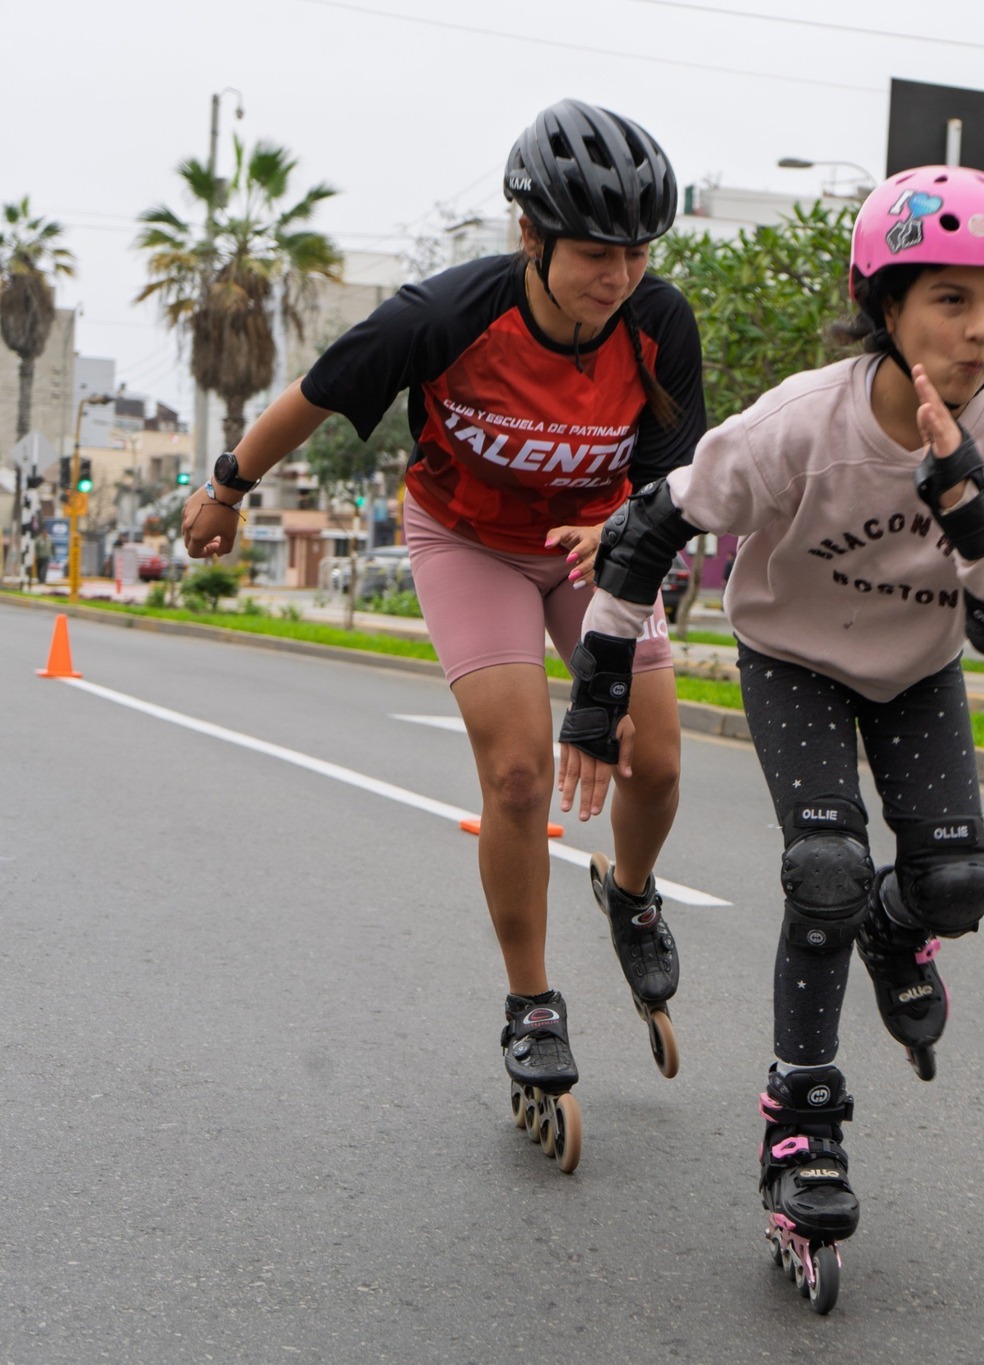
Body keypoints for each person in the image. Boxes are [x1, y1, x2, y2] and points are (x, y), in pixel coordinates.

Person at [554, 165, 984, 1301]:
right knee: (825, 872)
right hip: (795, 662)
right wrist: (594, 704)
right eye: (949, 301)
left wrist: (964, 493)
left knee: (957, 886)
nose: (981, 333)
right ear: (884, 305)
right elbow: (648, 529)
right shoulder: (799, 420)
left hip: (919, 671)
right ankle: (802, 1127)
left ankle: (900, 929)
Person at [180, 99, 706, 1173]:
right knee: (516, 773)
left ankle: (633, 892)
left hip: (591, 543)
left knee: (655, 754)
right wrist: (227, 486)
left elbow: (677, 475)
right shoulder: (444, 313)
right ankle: (530, 1006)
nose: (618, 276)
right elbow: (314, 399)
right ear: (532, 237)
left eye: (637, 252)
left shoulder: (660, 323)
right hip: (467, 537)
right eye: (596, 253)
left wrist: (622, 526)